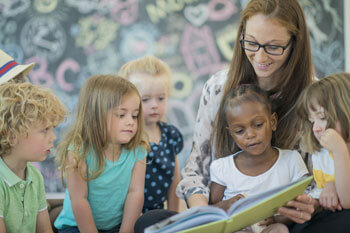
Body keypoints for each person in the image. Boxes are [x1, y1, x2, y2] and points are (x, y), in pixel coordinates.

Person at [135, 0, 323, 232]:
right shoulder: (217, 87)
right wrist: (206, 218)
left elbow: (319, 181)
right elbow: (196, 172)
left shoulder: (315, 96)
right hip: (225, 222)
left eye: (274, 47)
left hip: (283, 223)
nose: (260, 57)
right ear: (241, 36)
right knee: (148, 222)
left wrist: (310, 205)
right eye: (251, 43)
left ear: (295, 44)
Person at [54, 75, 149, 233]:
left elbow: (135, 193)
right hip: (77, 227)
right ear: (96, 116)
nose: (131, 122)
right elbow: (79, 200)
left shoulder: (138, 150)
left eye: (134, 115)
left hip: (116, 227)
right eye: (121, 115)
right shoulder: (78, 151)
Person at [209, 84, 308, 233]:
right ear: (231, 134)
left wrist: (278, 219)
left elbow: (302, 205)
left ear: (273, 122)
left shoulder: (291, 160)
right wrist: (228, 204)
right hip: (238, 229)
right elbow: (210, 210)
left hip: (271, 228)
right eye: (240, 131)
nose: (250, 135)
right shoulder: (222, 167)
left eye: (258, 125)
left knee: (280, 229)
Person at [120, 55, 184, 213]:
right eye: (146, 100)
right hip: (125, 214)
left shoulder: (170, 135)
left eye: (161, 98)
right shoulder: (126, 136)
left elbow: (174, 180)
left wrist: (173, 216)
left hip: (157, 211)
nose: (155, 105)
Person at [0, 82, 67, 233]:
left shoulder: (35, 177)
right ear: (12, 136)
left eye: (52, 129)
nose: (53, 137)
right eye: (45, 130)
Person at [293, 72, 350, 232]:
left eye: (323, 117)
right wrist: (325, 191)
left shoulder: (337, 149)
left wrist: (340, 150)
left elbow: (347, 201)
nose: (315, 128)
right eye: (312, 121)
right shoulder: (322, 153)